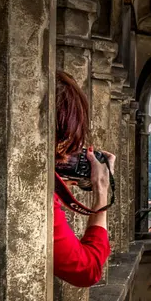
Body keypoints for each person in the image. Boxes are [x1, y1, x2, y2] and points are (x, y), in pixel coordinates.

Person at [54, 71, 117, 287]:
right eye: (66, 144)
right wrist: (101, 190)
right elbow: (87, 270)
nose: (67, 155)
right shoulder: (38, 196)